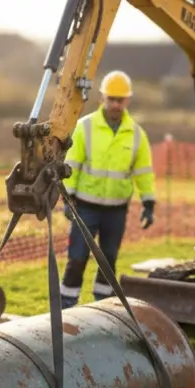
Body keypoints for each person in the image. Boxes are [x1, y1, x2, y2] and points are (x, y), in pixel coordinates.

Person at [59, 70, 156, 308]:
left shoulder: (136, 135)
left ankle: (103, 306)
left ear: (127, 100)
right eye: (111, 98)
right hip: (85, 208)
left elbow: (143, 171)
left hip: (116, 211)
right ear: (102, 97)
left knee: (109, 259)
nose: (115, 104)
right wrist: (67, 198)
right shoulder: (86, 127)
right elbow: (71, 164)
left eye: (119, 100)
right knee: (77, 258)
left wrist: (148, 202)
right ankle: (65, 306)